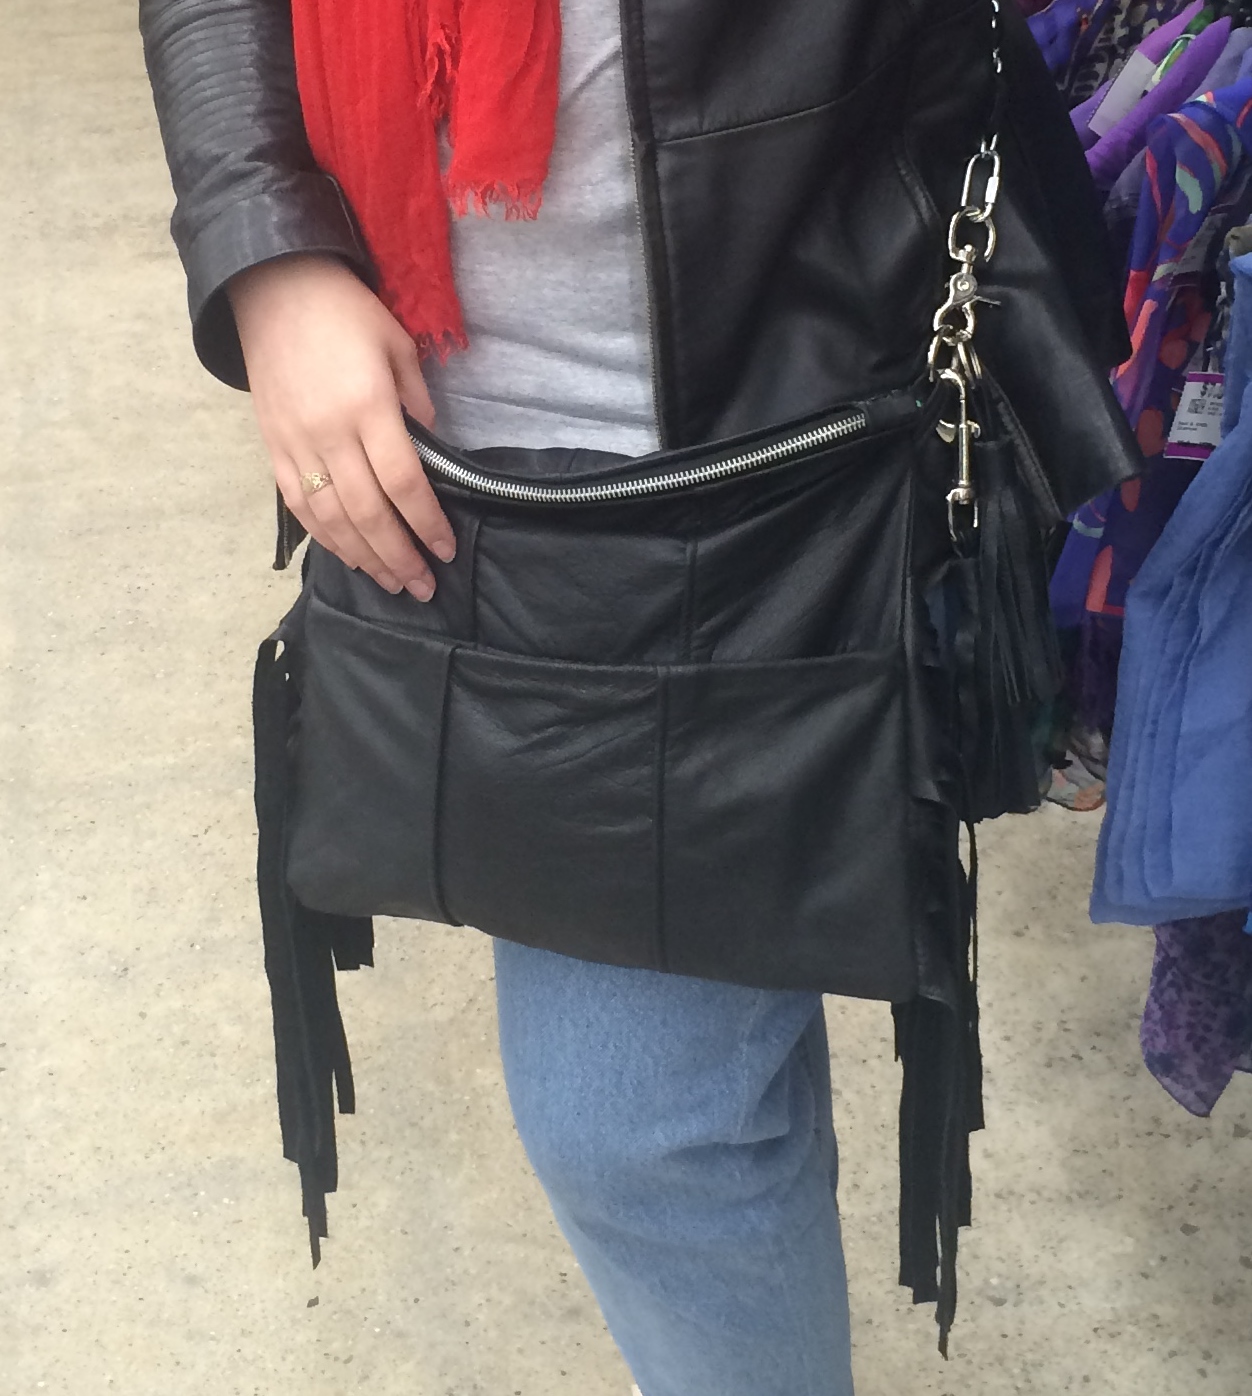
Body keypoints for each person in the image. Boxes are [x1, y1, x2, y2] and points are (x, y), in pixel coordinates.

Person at [139, 2, 1136, 1393]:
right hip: (437, 422)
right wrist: (266, 248)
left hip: (778, 403)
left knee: (643, 1122)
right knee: (687, 1108)